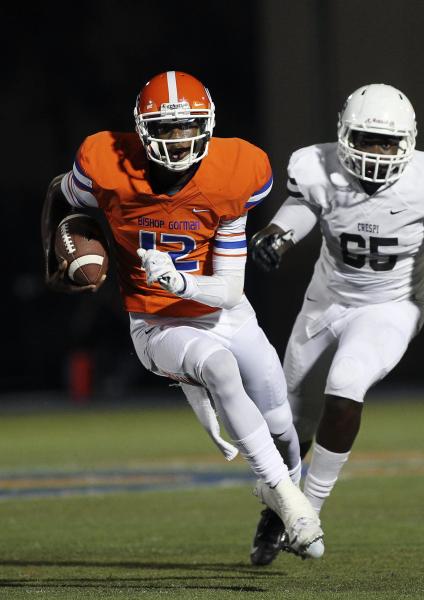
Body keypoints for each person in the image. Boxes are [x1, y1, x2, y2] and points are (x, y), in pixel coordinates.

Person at [41, 70, 324, 560]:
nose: (179, 138)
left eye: (188, 125)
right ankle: (294, 503)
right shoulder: (107, 163)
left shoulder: (234, 174)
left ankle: (276, 506)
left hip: (222, 309)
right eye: (167, 128)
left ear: (208, 123)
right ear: (143, 129)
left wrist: (182, 281)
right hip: (158, 323)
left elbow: (231, 290)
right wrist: (55, 256)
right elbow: (59, 194)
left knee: (284, 425)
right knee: (219, 368)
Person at [249, 83, 424, 564]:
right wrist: (276, 237)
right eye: (365, 139)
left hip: (391, 305)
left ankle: (307, 512)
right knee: (287, 424)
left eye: (387, 142)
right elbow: (301, 208)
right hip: (324, 303)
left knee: (346, 386)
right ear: (344, 135)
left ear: (409, 142)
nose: (376, 152)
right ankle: (279, 510)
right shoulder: (316, 167)